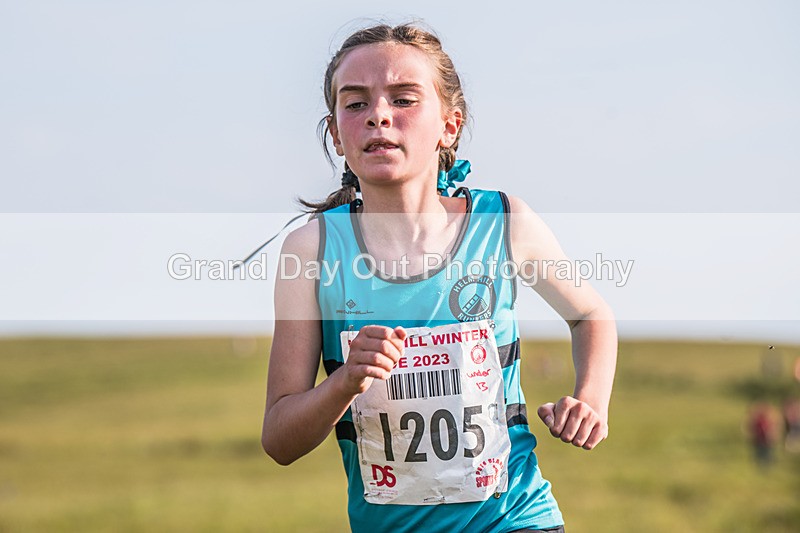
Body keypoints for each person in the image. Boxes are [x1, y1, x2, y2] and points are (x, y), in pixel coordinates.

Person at [260, 22, 617, 533]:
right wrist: (344, 382)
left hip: (515, 519)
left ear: (450, 124)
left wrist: (591, 399)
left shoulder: (502, 222)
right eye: (355, 103)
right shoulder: (311, 251)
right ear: (336, 134)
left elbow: (589, 313)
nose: (378, 114)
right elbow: (279, 440)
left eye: (403, 99)